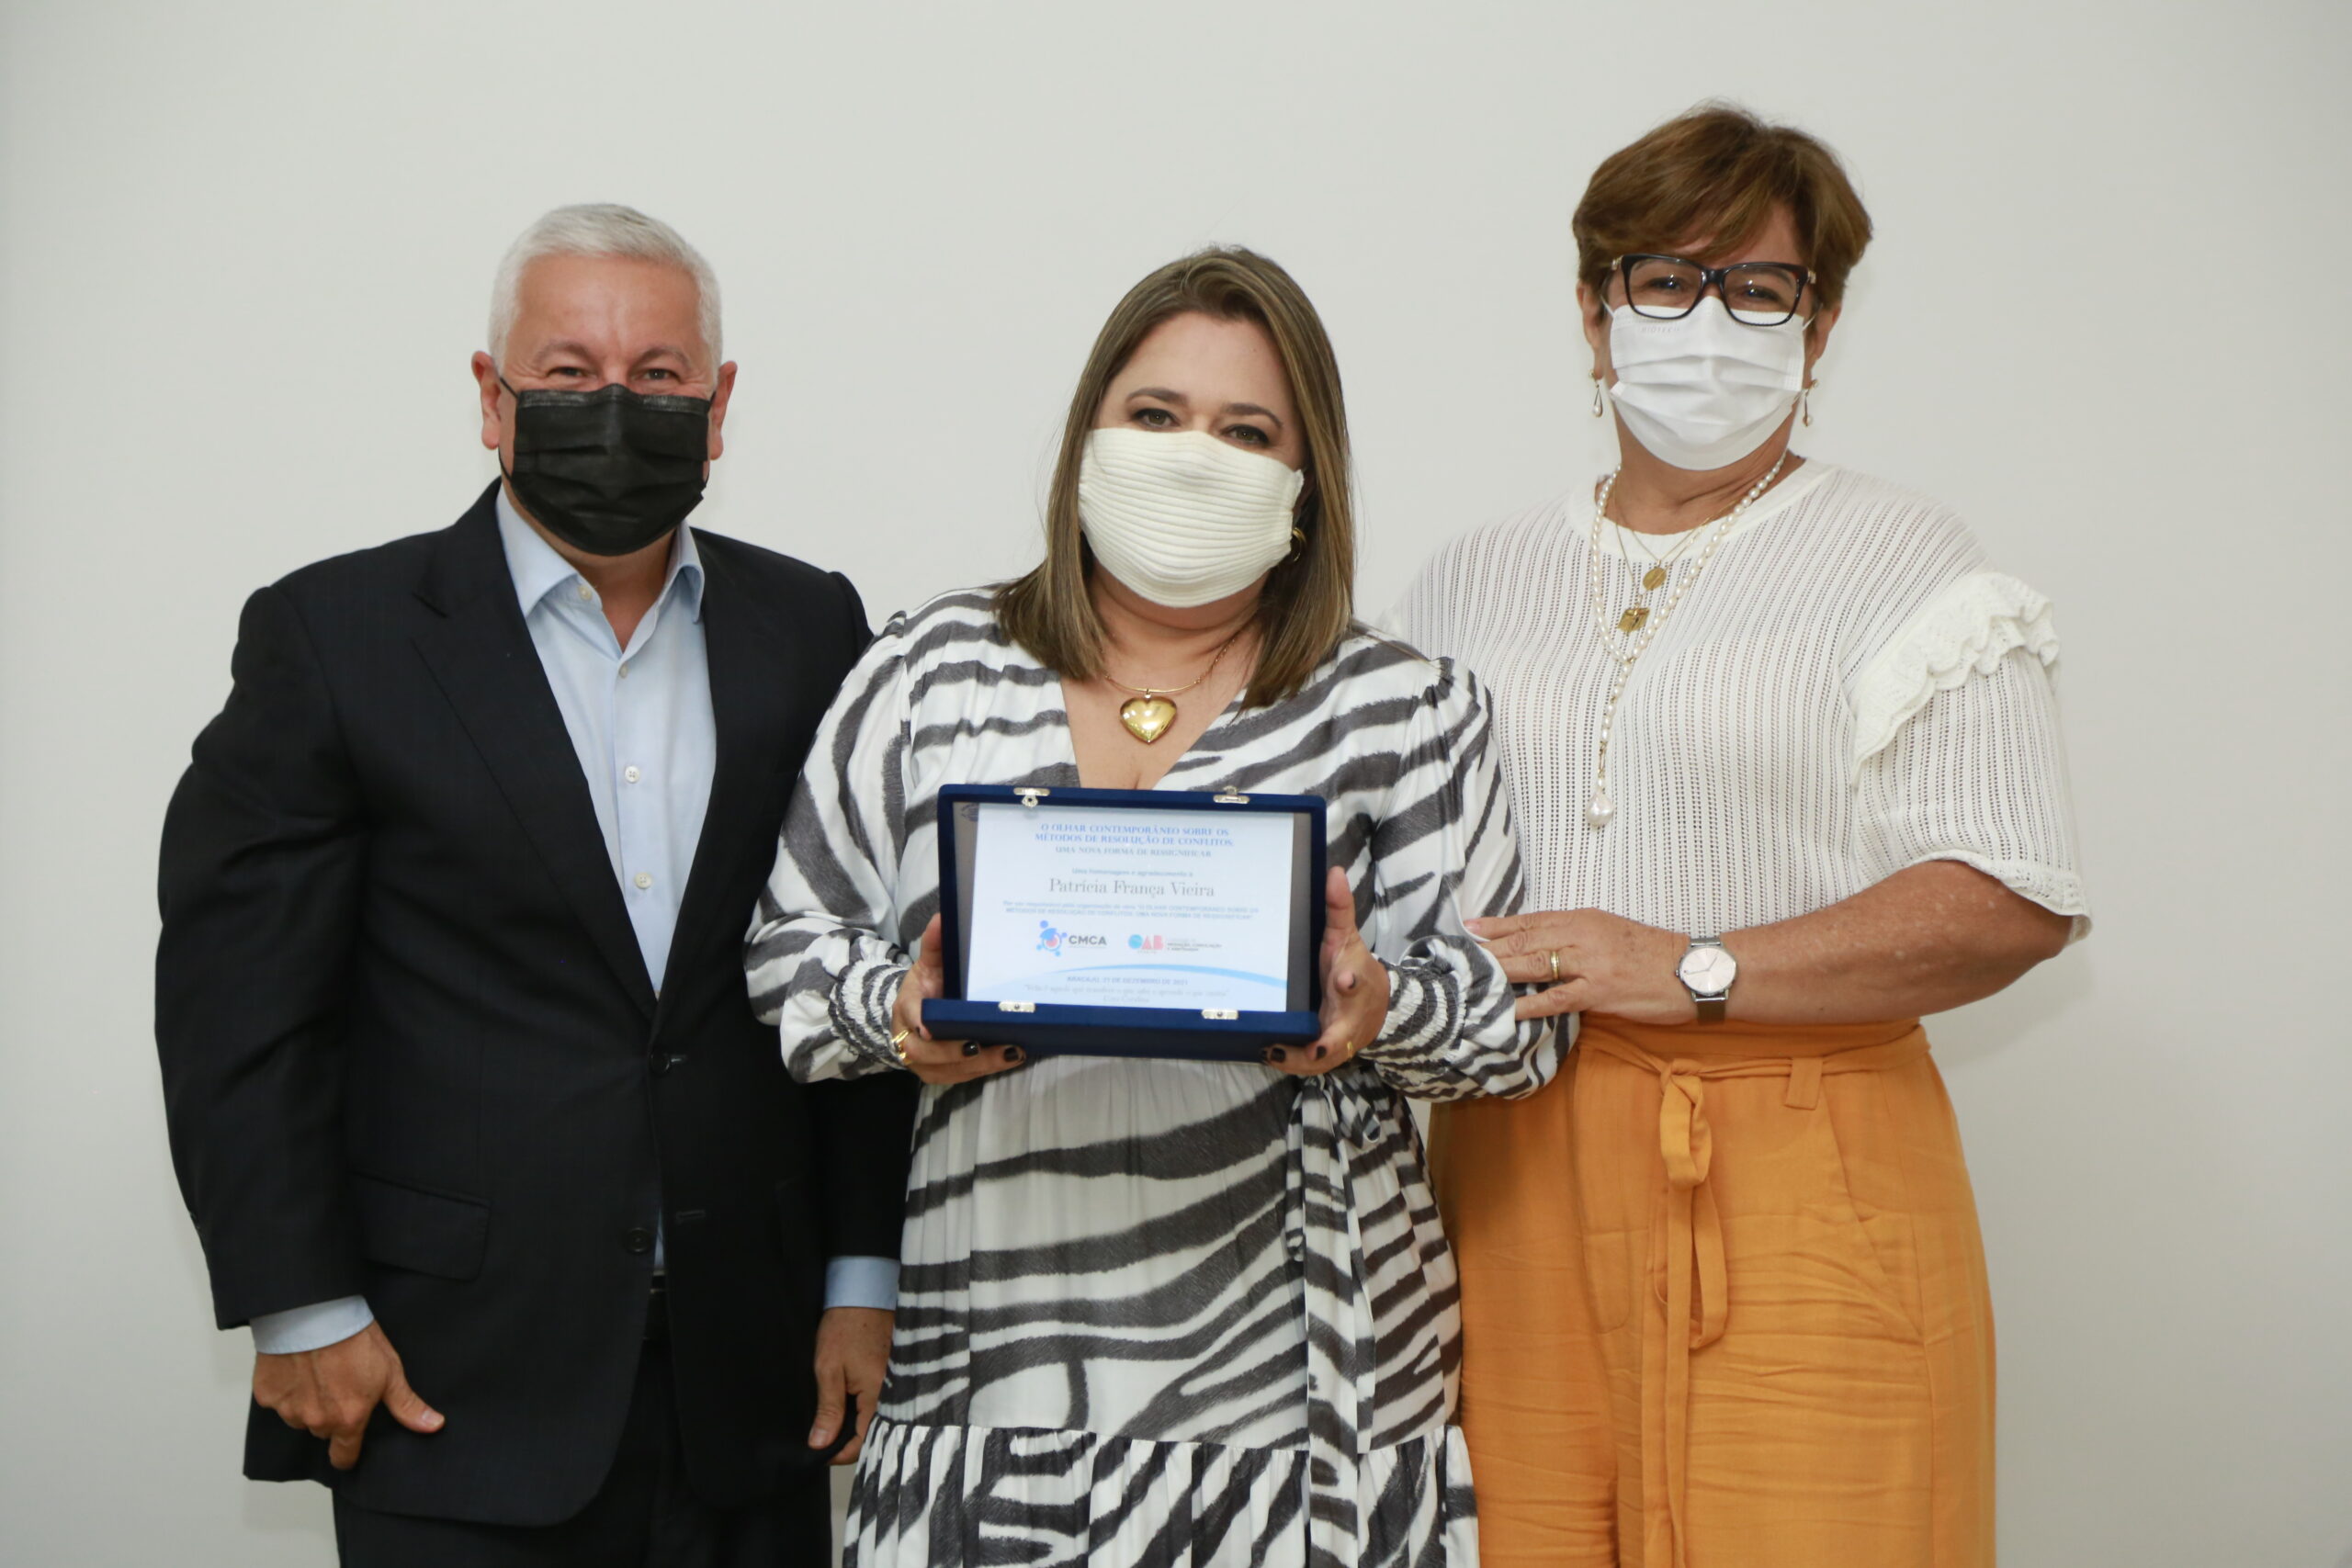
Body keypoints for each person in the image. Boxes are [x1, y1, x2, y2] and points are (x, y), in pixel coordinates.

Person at [745, 246, 1553, 1566]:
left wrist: (1379, 1005)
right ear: (1088, 438)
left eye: (1247, 432)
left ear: (1308, 480)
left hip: (1302, 1397)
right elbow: (784, 961)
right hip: (989, 1367)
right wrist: (899, 1010)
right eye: (1157, 414)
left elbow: (1520, 1026)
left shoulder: (1403, 706)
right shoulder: (931, 670)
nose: (1193, 458)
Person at [154, 203, 919, 1566]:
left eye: (659, 375)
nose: (615, 407)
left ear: (719, 406)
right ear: (491, 398)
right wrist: (300, 1307)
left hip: (751, 1385)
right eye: (569, 373)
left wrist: (863, 1275)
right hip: (446, 1386)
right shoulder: (334, 639)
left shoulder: (812, 629)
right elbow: (240, 1008)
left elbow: (847, 965)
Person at [1393, 107, 2090, 1568]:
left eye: (1758, 289)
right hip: (1509, 1169)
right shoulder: (1465, 581)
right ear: (1593, 313)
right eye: (1664, 280)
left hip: (1804, 1166)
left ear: (1818, 329)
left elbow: (2008, 898)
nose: (1706, 324)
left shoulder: (1909, 559)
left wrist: (1692, 965)